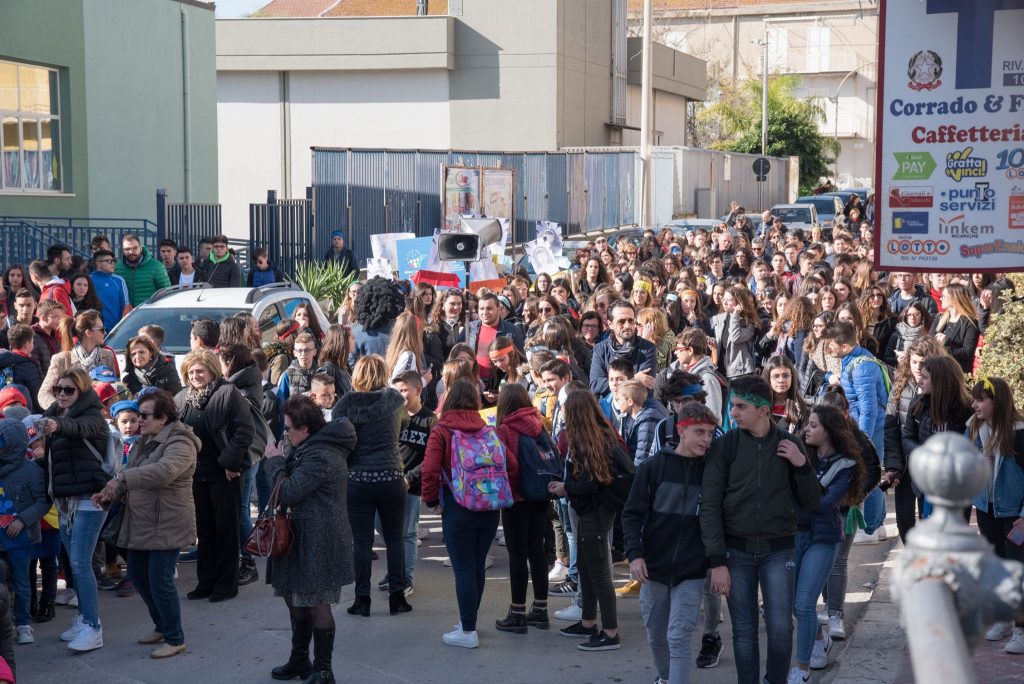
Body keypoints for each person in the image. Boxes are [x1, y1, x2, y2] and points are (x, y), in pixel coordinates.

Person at [700, 375, 822, 684]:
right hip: (736, 550)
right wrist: (717, 561)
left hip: (778, 550)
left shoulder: (789, 443)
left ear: (764, 410)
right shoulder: (724, 447)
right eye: (732, 406)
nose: (733, 413)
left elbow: (812, 501)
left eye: (741, 407)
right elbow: (710, 505)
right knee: (744, 631)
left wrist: (802, 465)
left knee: (781, 628)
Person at [91, 390, 199, 659]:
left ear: (163, 417)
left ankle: (175, 638)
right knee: (138, 576)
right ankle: (162, 626)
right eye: (138, 415)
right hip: (142, 520)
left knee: (160, 579)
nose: (139, 420)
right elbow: (131, 477)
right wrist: (109, 493)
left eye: (145, 415)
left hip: (168, 521)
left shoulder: (181, 441)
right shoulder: (145, 440)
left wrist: (123, 478)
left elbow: (163, 472)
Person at [262, 395, 357, 684]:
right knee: (294, 598)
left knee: (316, 604)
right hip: (299, 536)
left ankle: (323, 669)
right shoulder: (308, 447)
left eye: (289, 428)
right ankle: (300, 659)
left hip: (319, 540)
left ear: (305, 428)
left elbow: (288, 491)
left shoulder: (321, 455)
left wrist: (275, 462)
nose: (285, 434)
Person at [622, 402, 717, 684]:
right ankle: (664, 678)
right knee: (656, 635)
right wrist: (635, 555)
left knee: (678, 636)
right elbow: (631, 515)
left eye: (711, 433)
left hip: (692, 569)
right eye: (699, 432)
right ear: (681, 431)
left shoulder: (711, 473)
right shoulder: (654, 468)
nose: (706, 439)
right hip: (653, 567)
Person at [421, 379, 514, 648]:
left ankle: (468, 631)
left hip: (458, 505)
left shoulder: (442, 431)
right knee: (476, 565)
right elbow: (513, 464)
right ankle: (468, 622)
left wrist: (430, 500)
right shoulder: (488, 430)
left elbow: (429, 470)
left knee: (462, 568)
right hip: (489, 507)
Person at [787, 406, 865, 683]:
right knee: (796, 605)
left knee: (806, 604)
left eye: (813, 425)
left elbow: (822, 504)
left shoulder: (844, 465)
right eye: (807, 424)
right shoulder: (802, 452)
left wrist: (799, 466)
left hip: (823, 538)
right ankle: (820, 638)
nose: (807, 429)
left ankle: (802, 668)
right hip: (795, 534)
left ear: (829, 431)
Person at [548, 391, 627, 652]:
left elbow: (588, 484)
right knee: (585, 565)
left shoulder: (590, 441)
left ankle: (610, 632)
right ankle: (588, 621)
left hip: (595, 512)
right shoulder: (599, 435)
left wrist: (565, 487)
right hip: (590, 512)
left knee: (599, 573)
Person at [174, 350, 254, 603]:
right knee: (205, 532)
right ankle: (205, 582)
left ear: (211, 371)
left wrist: (229, 462)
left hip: (224, 473)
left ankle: (226, 584)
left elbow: (244, 431)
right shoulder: (182, 398)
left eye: (200, 371)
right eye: (191, 371)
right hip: (196, 475)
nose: (195, 376)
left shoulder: (228, 393)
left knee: (226, 531)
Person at [39, 368, 109, 652]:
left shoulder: (92, 414)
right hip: (65, 501)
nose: (63, 394)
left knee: (80, 564)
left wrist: (57, 425)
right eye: (59, 389)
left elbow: (83, 429)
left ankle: (93, 626)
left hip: (90, 498)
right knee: (75, 563)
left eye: (69, 390)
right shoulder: (55, 413)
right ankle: (83, 619)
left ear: (81, 391)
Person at [333, 355, 409, 617]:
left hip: (358, 479)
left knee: (362, 542)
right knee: (395, 538)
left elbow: (340, 440)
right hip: (391, 476)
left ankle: (362, 599)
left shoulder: (346, 404)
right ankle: (397, 596)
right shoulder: (393, 400)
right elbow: (403, 427)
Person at [968, 377, 1024, 653]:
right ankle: (1003, 619)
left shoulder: (1019, 431)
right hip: (986, 507)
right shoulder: (975, 428)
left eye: (980, 399)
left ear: (996, 402)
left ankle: (1021, 629)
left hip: (1014, 512)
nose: (974, 404)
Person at [822, 321, 888, 543]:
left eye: (830, 345)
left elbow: (868, 409)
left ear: (843, 346)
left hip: (870, 430)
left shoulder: (861, 368)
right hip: (866, 429)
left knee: (869, 476)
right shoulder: (858, 360)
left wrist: (863, 441)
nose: (829, 350)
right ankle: (877, 525)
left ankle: (869, 528)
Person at [493, 383, 551, 634]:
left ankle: (517, 612)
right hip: (541, 493)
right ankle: (540, 609)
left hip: (516, 498)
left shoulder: (505, 429)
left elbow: (506, 463)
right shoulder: (539, 424)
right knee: (537, 550)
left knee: (517, 554)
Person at [882, 337, 948, 542]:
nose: (918, 367)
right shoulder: (901, 386)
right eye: (914, 362)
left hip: (932, 465)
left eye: (923, 362)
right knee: (904, 518)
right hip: (905, 462)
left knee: (929, 516)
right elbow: (891, 428)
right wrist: (893, 465)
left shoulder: (944, 388)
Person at [0, 419, 48, 647]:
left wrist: (22, 520)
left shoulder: (31, 470)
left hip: (20, 538)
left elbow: (43, 502)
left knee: (21, 582)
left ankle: (23, 623)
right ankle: (3, 623)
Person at [387, 371, 436, 595]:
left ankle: (405, 577)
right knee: (388, 531)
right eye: (398, 391)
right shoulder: (392, 416)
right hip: (388, 483)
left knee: (407, 533)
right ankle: (395, 570)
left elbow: (430, 458)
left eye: (405, 390)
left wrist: (410, 477)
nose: (401, 395)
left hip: (412, 487)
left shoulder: (429, 420)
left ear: (418, 390)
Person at [38, 310, 117, 410]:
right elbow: (44, 394)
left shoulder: (108, 355)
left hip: (101, 416)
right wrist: (62, 410)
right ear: (88, 333)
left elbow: (113, 390)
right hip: (71, 419)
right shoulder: (61, 359)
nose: (105, 332)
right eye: (101, 329)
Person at [590, 301, 658, 397]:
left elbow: (646, 384)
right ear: (610, 324)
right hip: (609, 407)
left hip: (639, 407)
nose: (627, 326)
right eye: (621, 322)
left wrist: (614, 384)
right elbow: (596, 385)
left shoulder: (648, 348)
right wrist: (633, 379)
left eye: (631, 321)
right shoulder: (600, 349)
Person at [617, 379, 669, 466]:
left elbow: (642, 456)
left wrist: (635, 477)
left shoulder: (647, 422)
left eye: (619, 399)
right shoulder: (630, 417)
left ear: (630, 401)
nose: (617, 402)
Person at [710, 287, 759, 381]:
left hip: (740, 372)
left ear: (739, 302)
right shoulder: (718, 319)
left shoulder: (748, 323)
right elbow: (718, 342)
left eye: (729, 300)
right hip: (720, 369)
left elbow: (735, 337)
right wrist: (711, 342)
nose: (725, 302)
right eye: (724, 299)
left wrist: (736, 315)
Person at [931, 282, 981, 374]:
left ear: (954, 300)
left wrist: (946, 343)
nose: (941, 299)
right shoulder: (939, 319)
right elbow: (929, 343)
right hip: (937, 370)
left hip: (957, 373)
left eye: (944, 296)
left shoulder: (970, 323)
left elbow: (968, 352)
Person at [115, 235, 171, 307]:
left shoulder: (156, 266)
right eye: (127, 249)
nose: (131, 252)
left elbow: (166, 292)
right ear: (123, 250)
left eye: (134, 248)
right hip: (125, 314)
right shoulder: (117, 267)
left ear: (140, 248)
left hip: (148, 312)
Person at [88, 250, 132, 332]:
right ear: (98, 263)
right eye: (109, 261)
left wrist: (120, 328)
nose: (113, 263)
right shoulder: (88, 280)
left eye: (113, 261)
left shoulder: (119, 280)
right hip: (93, 330)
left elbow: (125, 306)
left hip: (114, 331)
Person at [0, 325, 42, 410]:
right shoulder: (28, 365)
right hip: (22, 410)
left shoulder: (3, 359)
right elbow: (37, 395)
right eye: (32, 342)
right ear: (27, 344)